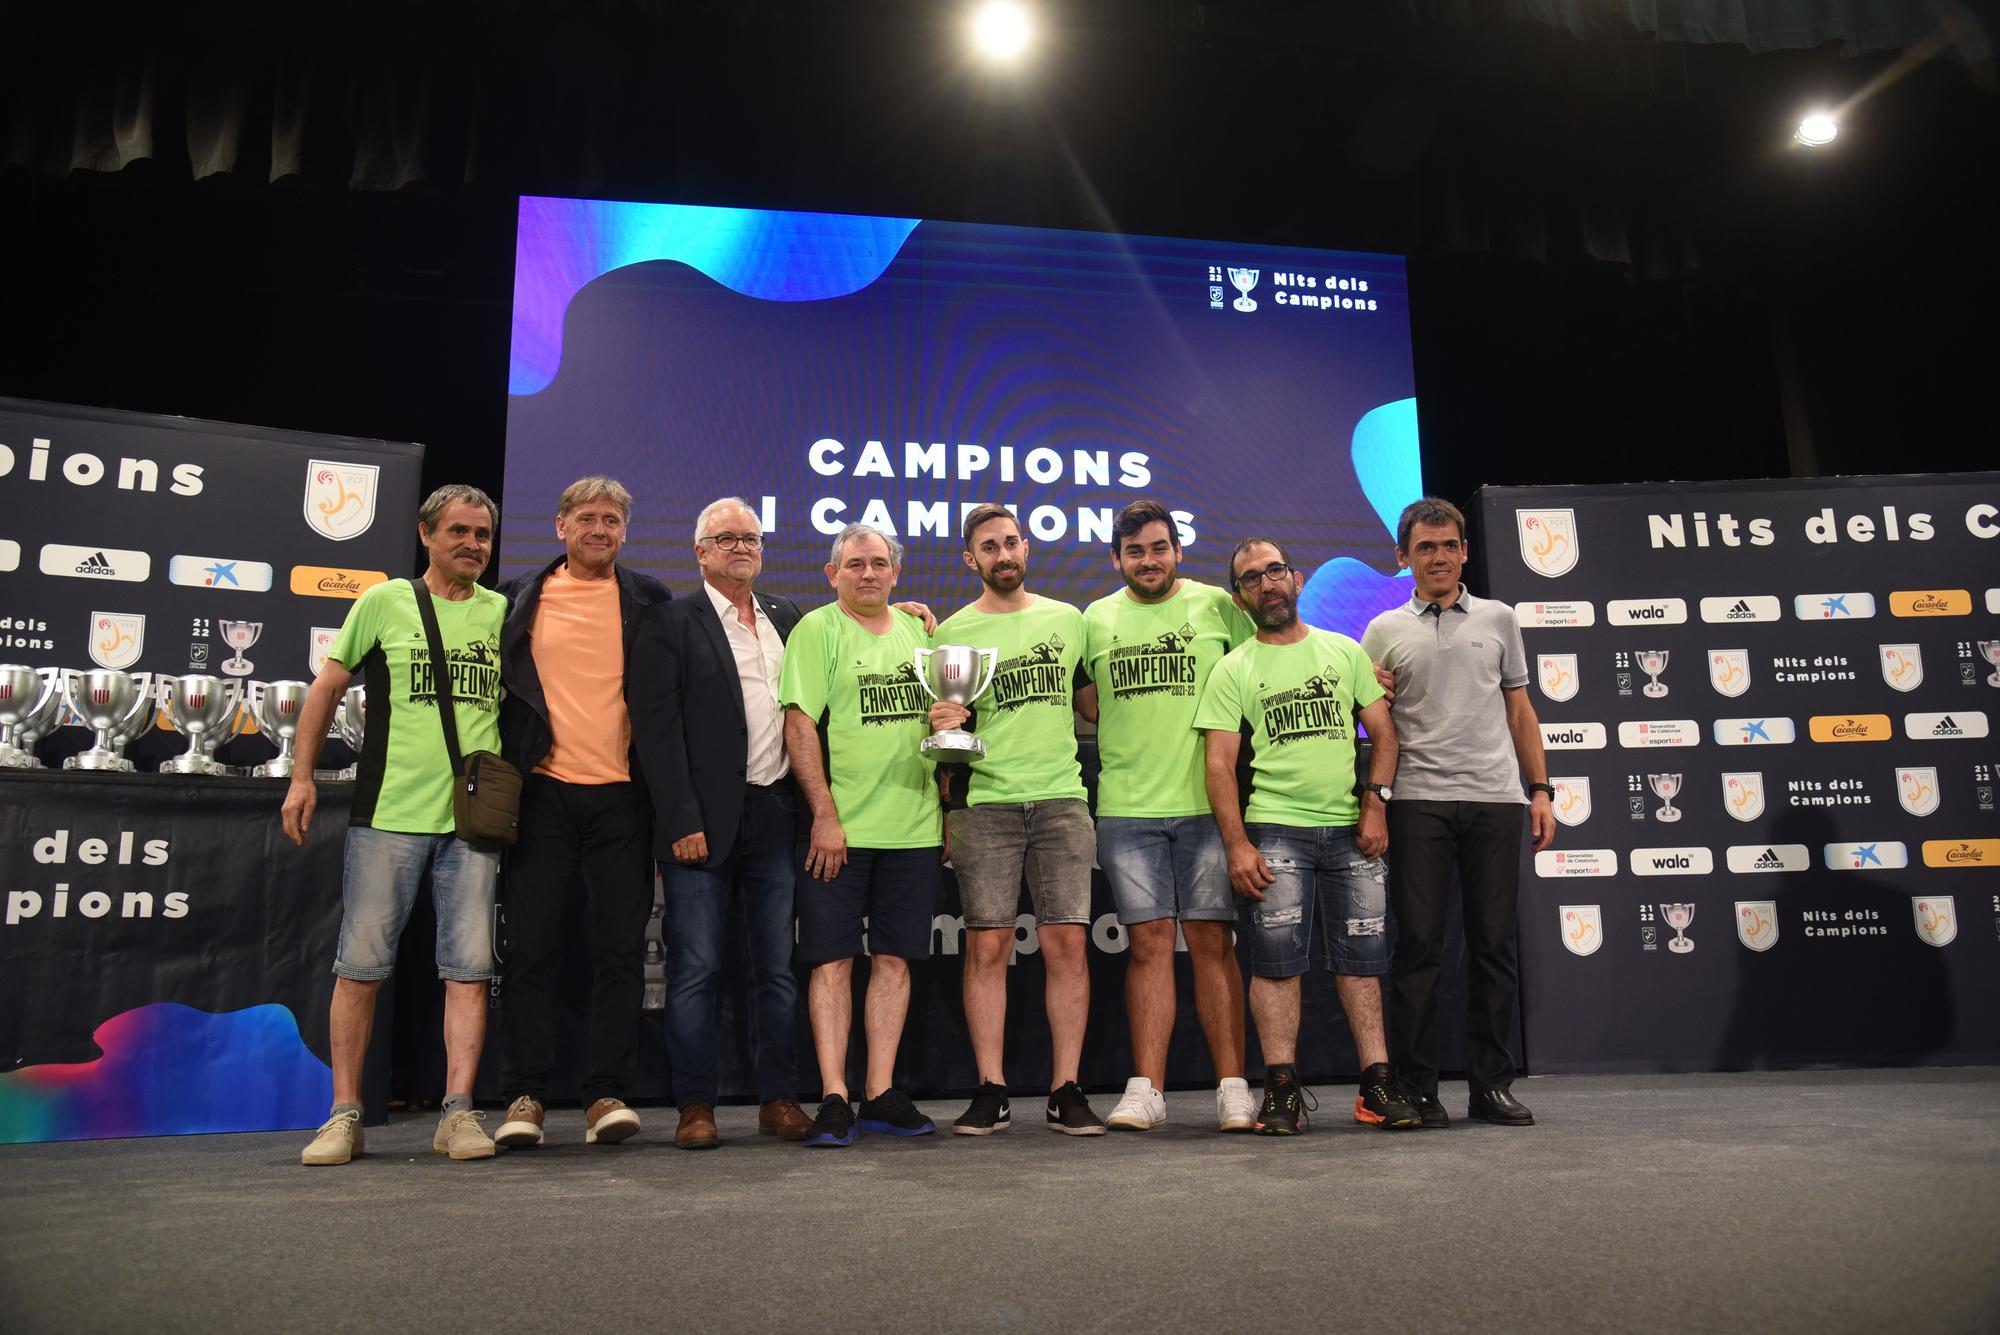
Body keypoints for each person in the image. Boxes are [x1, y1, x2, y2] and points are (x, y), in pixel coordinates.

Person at [282, 485, 508, 1166]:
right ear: (425, 533)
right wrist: (301, 776)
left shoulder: (502, 611)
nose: (473, 544)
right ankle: (343, 1113)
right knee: (361, 968)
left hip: (472, 823)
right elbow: (326, 686)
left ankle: (458, 1113)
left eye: (484, 534)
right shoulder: (384, 601)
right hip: (387, 816)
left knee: (468, 971)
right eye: (460, 531)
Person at [1193, 537, 1418, 1135]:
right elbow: (1219, 766)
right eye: (1251, 579)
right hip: (1274, 832)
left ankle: (1375, 1085)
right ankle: (1282, 1090)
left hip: (1351, 830)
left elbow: (1385, 736)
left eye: (1275, 571)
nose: (1267, 584)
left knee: (1362, 963)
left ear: (1296, 579)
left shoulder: (1343, 651)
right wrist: (1238, 845)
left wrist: (1375, 805)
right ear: (1241, 598)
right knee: (1275, 967)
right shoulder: (1232, 668)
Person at [1361, 497, 1554, 1128]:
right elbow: (1371, 722)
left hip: (1497, 800)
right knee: (1418, 948)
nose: (1438, 557)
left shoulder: (1500, 618)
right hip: (1417, 802)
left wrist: (1541, 788)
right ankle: (1418, 1088)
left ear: (1465, 551)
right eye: (1425, 548)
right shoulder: (1383, 631)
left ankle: (1490, 1085)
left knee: (1494, 946)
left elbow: (1521, 712)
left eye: (1449, 546)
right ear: (1403, 558)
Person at [490, 477, 671, 1150]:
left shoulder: (649, 597)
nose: (600, 528)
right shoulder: (515, 598)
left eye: (613, 520)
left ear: (625, 531)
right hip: (541, 792)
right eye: (587, 517)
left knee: (619, 951)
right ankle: (526, 1092)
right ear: (560, 525)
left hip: (624, 796)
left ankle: (604, 1092)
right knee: (531, 948)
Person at [629, 497, 810, 1146]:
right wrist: (680, 816)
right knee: (697, 968)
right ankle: (695, 1106)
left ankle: (779, 1097)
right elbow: (657, 731)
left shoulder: (787, 617)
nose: (741, 547)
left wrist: (901, 613)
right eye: (726, 538)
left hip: (775, 813)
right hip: (699, 822)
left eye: (751, 538)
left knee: (778, 970)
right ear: (700, 551)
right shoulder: (669, 622)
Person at [1076, 499, 1257, 1132]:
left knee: (1213, 944)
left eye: (1158, 548)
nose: (1147, 560)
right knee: (1149, 947)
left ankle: (1233, 1088)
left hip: (1211, 807)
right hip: (1126, 808)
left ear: (1177, 550)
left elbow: (1273, 661)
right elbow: (1087, 702)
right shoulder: (1095, 618)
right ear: (1116, 558)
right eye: (1134, 551)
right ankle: (1146, 1089)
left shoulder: (1218, 608)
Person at [930, 504, 1102, 1136]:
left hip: (1062, 799)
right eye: (988, 547)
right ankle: (991, 1089)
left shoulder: (1069, 621)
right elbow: (950, 737)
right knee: (987, 946)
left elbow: (1092, 704)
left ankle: (1067, 1090)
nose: (1003, 555)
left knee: (1067, 946)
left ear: (1025, 548)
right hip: (987, 807)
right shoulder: (952, 631)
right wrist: (949, 803)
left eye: (1010, 542)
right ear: (970, 560)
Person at [779, 523, 942, 1147]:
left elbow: (941, 721)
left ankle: (879, 1092)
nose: (868, 574)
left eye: (878, 563)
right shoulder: (816, 630)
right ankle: (834, 1097)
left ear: (896, 573)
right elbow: (799, 727)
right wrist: (823, 814)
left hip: (915, 828)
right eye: (855, 565)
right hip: (838, 833)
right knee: (833, 962)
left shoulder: (921, 632)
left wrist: (945, 811)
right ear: (832, 573)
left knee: (895, 962)